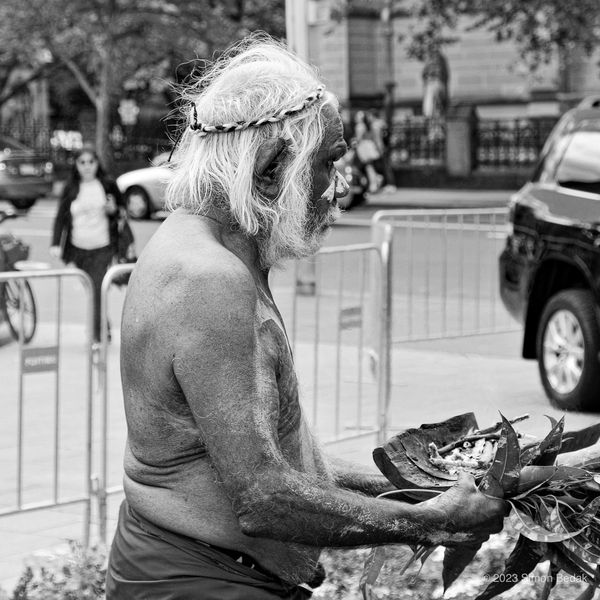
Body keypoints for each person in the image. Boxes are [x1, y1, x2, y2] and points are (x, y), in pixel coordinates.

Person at [105, 36, 506, 600]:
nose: (338, 187)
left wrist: (428, 486)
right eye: (327, 163)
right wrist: (434, 521)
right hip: (197, 583)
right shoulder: (210, 280)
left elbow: (282, 461)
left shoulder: (209, 248)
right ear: (271, 167)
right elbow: (265, 497)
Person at [50, 146, 125, 342]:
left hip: (102, 247)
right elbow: (61, 217)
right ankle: (103, 327)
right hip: (78, 249)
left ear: (97, 163)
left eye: (91, 162)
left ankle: (97, 337)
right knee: (92, 290)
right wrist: (56, 243)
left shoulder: (107, 185)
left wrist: (113, 209)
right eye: (82, 162)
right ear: (76, 165)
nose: (87, 166)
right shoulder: (71, 187)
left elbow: (122, 211)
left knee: (96, 289)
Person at [353, 110, 382, 193]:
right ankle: (376, 180)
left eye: (358, 116)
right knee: (369, 166)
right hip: (369, 146)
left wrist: (353, 143)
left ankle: (373, 183)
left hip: (363, 148)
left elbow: (358, 139)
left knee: (367, 166)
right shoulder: (366, 125)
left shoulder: (359, 126)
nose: (356, 118)